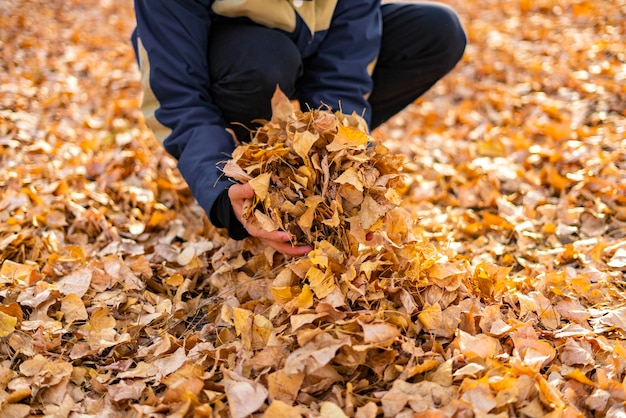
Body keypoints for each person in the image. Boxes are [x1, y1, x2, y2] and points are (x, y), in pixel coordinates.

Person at [131, 0, 466, 256]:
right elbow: (179, 97)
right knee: (265, 59)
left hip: (305, 52)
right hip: (238, 64)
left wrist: (341, 167)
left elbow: (342, 77)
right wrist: (219, 186)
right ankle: (250, 180)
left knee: (437, 30)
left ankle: (294, 178)